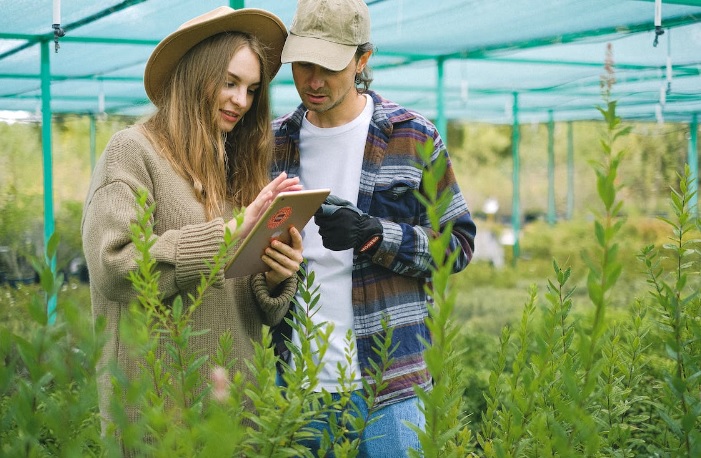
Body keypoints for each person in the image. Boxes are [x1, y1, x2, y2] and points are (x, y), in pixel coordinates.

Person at [81, 6, 303, 435]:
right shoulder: (133, 151)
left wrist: (274, 277)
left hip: (237, 412)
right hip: (157, 412)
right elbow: (115, 266)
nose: (242, 100)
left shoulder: (233, 165)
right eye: (230, 82)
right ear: (195, 76)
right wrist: (231, 232)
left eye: (252, 89)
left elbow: (240, 296)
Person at [271, 0, 477, 455]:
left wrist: (373, 235)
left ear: (362, 59)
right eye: (303, 64)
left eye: (329, 66)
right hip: (296, 386)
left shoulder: (413, 137)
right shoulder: (272, 143)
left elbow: (458, 245)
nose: (314, 81)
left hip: (392, 386)